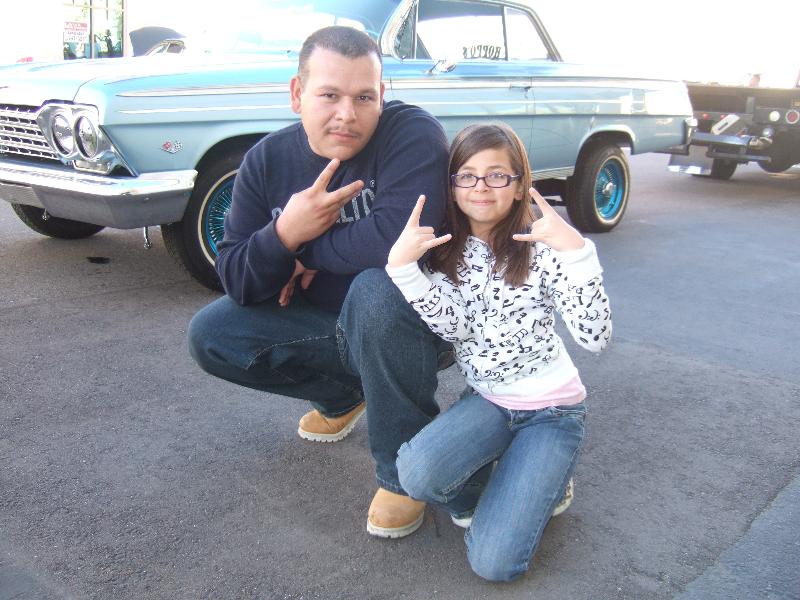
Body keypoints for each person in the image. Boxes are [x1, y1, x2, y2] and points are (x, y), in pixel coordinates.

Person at [188, 25, 451, 539]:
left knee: (377, 287)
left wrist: (307, 251)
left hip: (414, 328)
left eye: (364, 97)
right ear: (297, 93)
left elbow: (401, 236)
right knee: (211, 335)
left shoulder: (411, 133)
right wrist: (285, 232)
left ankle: (402, 470)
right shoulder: (266, 161)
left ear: (382, 96)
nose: (347, 114)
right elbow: (236, 279)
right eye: (330, 95)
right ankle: (343, 394)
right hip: (322, 327)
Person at [385, 122, 612, 581]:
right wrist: (402, 269)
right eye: (467, 175)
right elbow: (455, 326)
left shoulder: (542, 247)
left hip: (552, 413)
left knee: (495, 565)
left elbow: (595, 337)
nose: (481, 187)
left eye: (497, 175)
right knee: (416, 474)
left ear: (519, 185)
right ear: (452, 186)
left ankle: (549, 481)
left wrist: (577, 253)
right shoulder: (445, 251)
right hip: (489, 400)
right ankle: (516, 474)